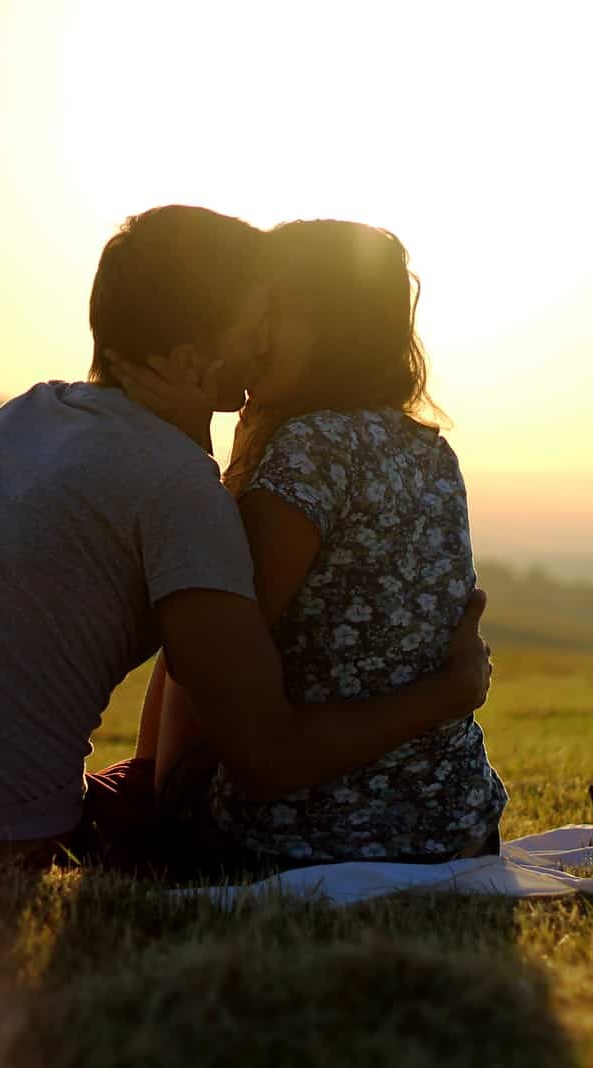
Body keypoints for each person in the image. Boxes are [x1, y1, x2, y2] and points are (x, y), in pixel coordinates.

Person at [0, 205, 494, 878]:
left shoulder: (20, 417)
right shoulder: (188, 494)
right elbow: (255, 745)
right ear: (190, 362)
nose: (264, 340)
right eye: (256, 320)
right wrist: (451, 693)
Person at [118, 219, 507, 867]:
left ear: (332, 326)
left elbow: (206, 654)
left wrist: (163, 804)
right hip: (455, 822)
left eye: (272, 311)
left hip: (315, 835)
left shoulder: (310, 450)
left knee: (201, 611)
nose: (251, 337)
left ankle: (159, 811)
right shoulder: (432, 451)